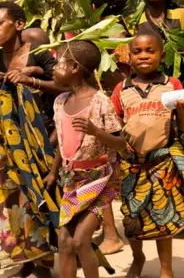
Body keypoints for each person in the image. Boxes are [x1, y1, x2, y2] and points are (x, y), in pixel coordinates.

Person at [0, 1, 63, 277]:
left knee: (41, 199)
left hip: (45, 138)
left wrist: (32, 81)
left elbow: (63, 87)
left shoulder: (37, 54)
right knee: (13, 203)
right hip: (11, 144)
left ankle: (45, 262)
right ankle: (25, 260)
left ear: (18, 25)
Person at [48, 40, 125, 278]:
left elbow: (121, 143)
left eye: (58, 61)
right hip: (73, 179)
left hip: (100, 180)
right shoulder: (60, 102)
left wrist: (96, 132)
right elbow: (63, 142)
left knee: (81, 241)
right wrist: (53, 172)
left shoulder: (100, 101)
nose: (53, 66)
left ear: (74, 68)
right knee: (64, 241)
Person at [110, 33, 184, 278]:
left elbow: (181, 127)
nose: (143, 56)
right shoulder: (121, 89)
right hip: (132, 165)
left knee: (164, 217)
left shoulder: (172, 85)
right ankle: (138, 258)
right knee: (132, 218)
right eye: (137, 52)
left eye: (150, 51)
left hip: (161, 162)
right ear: (129, 56)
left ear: (162, 56)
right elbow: (115, 122)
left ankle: (166, 268)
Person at [89, 0, 131, 255]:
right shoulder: (128, 30)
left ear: (95, 7)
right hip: (125, 106)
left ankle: (112, 234)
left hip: (110, 109)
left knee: (103, 170)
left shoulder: (104, 34)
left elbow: (114, 72)